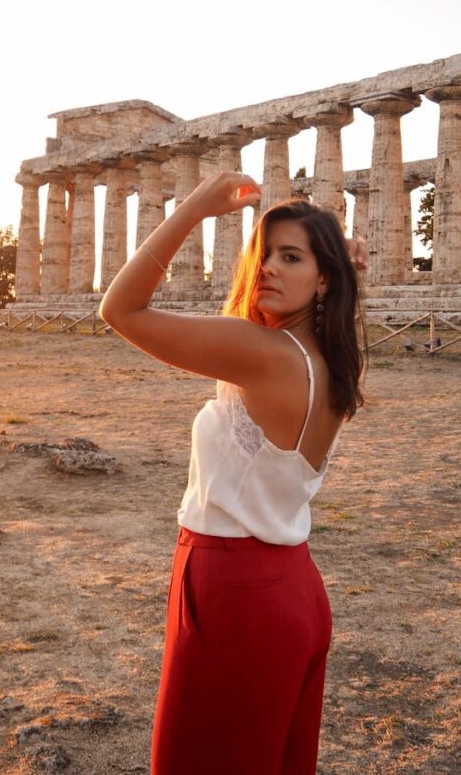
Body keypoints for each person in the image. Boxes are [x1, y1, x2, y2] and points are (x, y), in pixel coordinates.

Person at [99, 170, 367, 775]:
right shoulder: (332, 359)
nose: (268, 267)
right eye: (264, 254)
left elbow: (119, 309)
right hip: (293, 589)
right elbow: (301, 298)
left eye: (290, 257)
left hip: (234, 594)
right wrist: (337, 264)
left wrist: (193, 208)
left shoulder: (263, 353)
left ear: (324, 278)